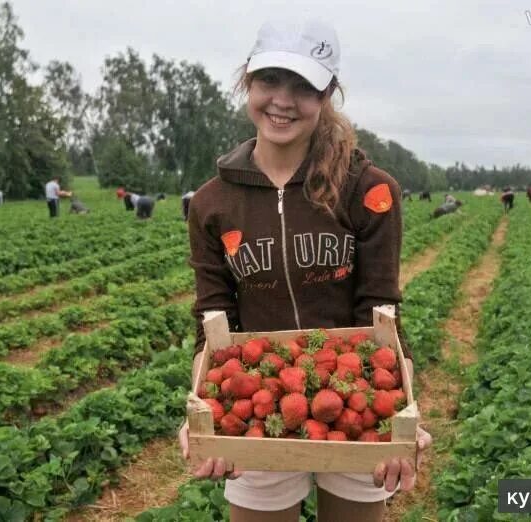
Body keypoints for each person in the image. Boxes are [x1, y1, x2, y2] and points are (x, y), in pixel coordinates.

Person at [179, 19, 431, 522]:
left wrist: (401, 411)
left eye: (303, 87)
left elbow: (379, 308)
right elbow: (213, 318)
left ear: (327, 94)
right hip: (260, 399)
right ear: (247, 80)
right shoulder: (211, 203)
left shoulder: (367, 190)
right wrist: (204, 410)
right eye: (269, 80)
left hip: (356, 398)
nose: (283, 100)